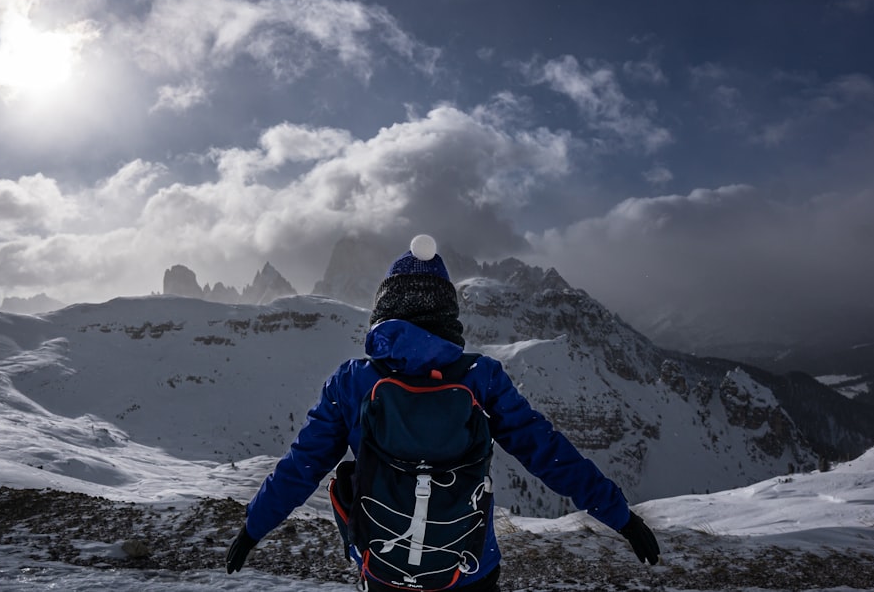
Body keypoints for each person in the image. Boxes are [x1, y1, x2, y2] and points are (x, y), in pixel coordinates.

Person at [226, 235, 659, 590]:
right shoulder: (481, 377)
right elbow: (548, 454)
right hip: (470, 568)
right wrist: (620, 517)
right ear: (448, 312)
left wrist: (253, 528)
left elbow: (302, 466)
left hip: (384, 569)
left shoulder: (353, 381)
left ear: (383, 310)